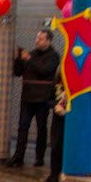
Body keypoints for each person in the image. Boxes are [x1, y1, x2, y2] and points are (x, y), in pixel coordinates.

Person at [9, 30, 62, 167]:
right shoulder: (32, 54)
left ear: (48, 41)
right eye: (37, 38)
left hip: (43, 98)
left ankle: (39, 157)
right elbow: (18, 72)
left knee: (41, 128)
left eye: (41, 39)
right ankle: (18, 156)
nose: (37, 41)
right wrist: (17, 59)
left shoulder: (53, 56)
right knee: (23, 126)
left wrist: (28, 59)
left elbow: (44, 70)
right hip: (27, 97)